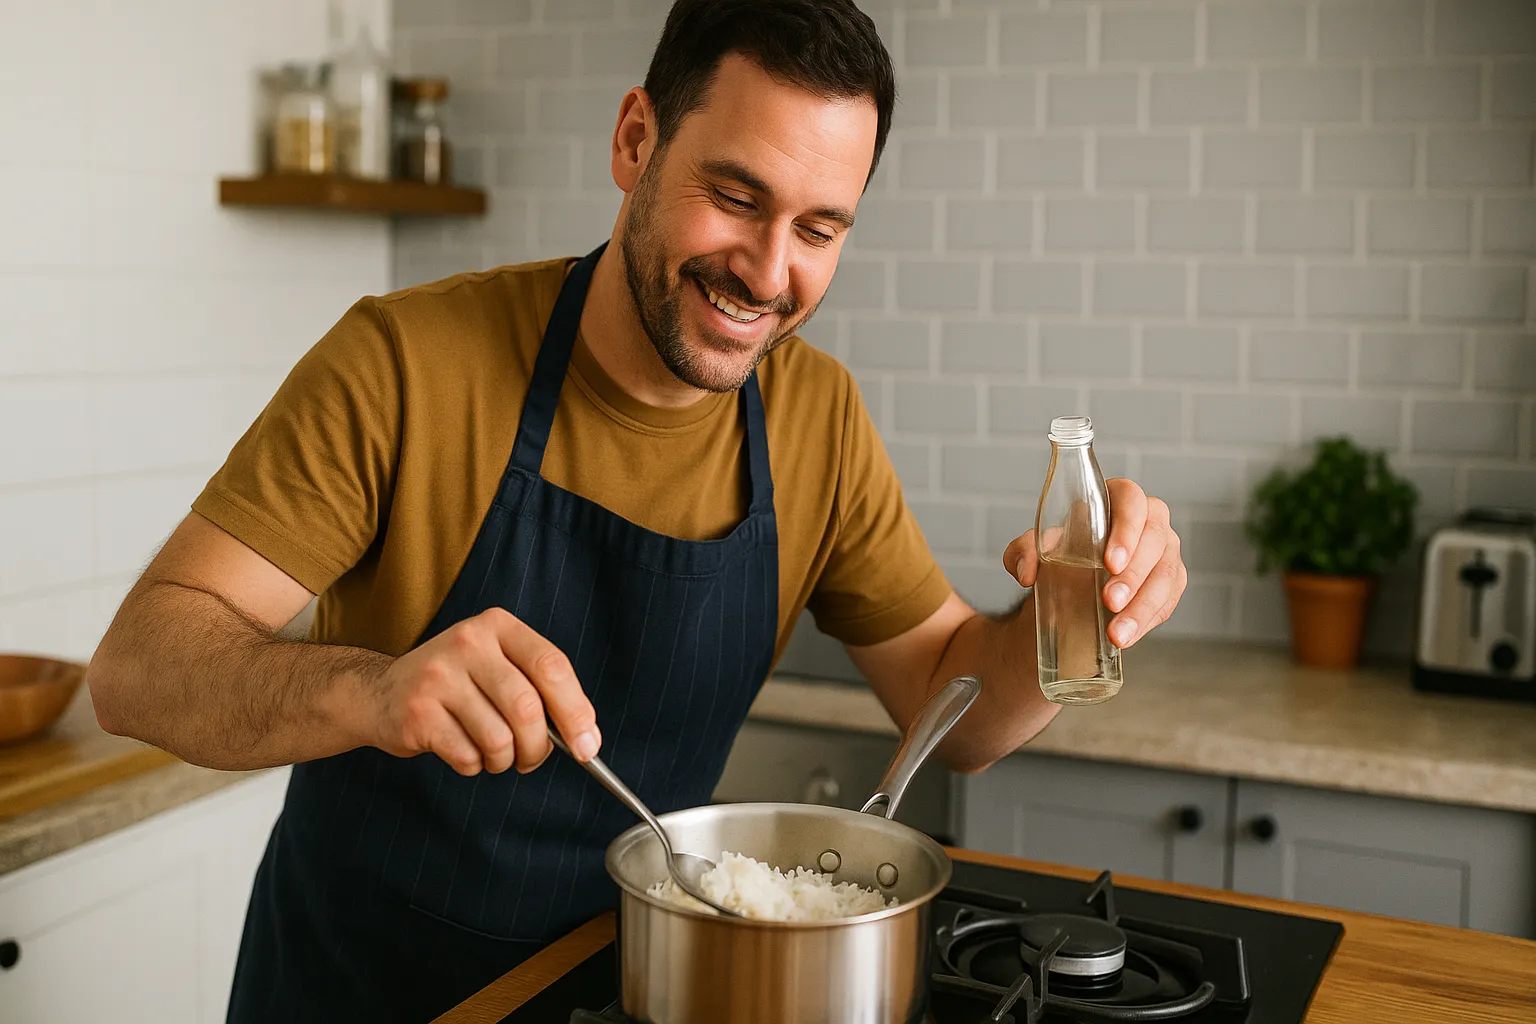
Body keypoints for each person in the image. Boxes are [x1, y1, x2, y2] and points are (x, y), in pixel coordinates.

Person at [87, 0, 1187, 1020]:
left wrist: (1076, 614)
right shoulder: (405, 364)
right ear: (634, 142)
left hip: (639, 988)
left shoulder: (819, 419)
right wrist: (371, 690)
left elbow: (960, 709)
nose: (768, 273)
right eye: (737, 198)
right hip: (362, 989)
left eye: (819, 229)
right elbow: (137, 667)